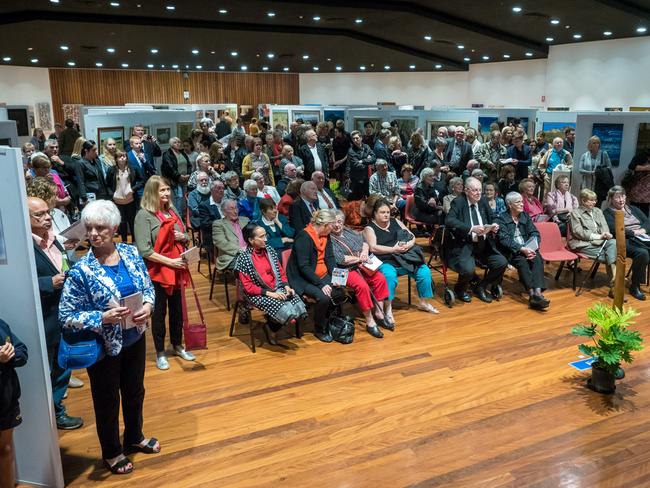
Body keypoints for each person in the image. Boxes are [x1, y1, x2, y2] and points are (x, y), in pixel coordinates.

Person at [58, 200, 158, 475]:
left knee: (135, 391)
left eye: (100, 228)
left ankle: (134, 437)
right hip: (105, 345)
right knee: (107, 399)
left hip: (135, 337)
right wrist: (101, 318)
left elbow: (147, 286)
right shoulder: (81, 269)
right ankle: (112, 451)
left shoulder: (130, 252)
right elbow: (66, 315)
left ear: (114, 229)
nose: (93, 234)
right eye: (89, 228)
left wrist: (148, 306)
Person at [28, 196, 83, 430]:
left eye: (47, 212)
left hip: (66, 312)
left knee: (64, 364)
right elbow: (18, 281)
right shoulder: (25, 245)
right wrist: (49, 282)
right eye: (38, 215)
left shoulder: (54, 239)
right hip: (44, 315)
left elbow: (62, 266)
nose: (47, 217)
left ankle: (56, 410)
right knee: (47, 369)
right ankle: (47, 416)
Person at [134, 176, 194, 371]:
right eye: (162, 190)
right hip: (157, 272)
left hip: (176, 270)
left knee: (178, 311)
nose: (167, 194)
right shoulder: (144, 215)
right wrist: (171, 262)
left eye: (168, 189)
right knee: (159, 313)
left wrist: (182, 236)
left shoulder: (172, 210)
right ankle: (160, 352)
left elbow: (184, 234)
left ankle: (177, 345)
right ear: (152, 192)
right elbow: (145, 250)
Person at [234, 224, 307, 345]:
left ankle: (273, 322)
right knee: (280, 305)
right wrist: (270, 294)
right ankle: (271, 329)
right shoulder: (243, 259)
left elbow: (281, 272)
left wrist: (286, 286)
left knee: (294, 299)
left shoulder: (270, 250)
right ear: (251, 240)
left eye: (265, 235)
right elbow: (248, 287)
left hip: (276, 287)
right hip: (256, 293)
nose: (266, 239)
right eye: (261, 237)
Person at [364, 198, 438, 314]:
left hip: (404, 256)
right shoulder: (369, 228)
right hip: (385, 260)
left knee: (424, 271)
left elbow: (412, 236)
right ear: (375, 213)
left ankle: (424, 302)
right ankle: (388, 309)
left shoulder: (395, 221)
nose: (386, 215)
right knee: (389, 275)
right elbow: (373, 247)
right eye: (382, 212)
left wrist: (408, 245)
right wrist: (393, 249)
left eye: (387, 212)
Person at [445, 177, 508, 303]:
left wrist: (495, 224)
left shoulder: (483, 201)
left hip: (483, 244)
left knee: (501, 262)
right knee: (468, 270)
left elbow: (494, 216)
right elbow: (449, 220)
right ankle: (460, 289)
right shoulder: (459, 202)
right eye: (475, 190)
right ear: (466, 190)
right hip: (465, 244)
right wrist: (471, 228)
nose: (479, 193)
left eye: (480, 190)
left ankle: (481, 287)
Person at [330, 210, 391, 338]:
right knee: (362, 286)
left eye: (339, 221)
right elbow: (340, 259)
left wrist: (364, 252)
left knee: (380, 278)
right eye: (333, 222)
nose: (337, 225)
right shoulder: (329, 238)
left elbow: (364, 241)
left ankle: (379, 313)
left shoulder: (348, 231)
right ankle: (370, 321)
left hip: (360, 264)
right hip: (342, 271)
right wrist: (360, 259)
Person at [285, 210, 342, 342]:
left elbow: (330, 257)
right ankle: (319, 327)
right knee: (323, 297)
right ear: (325, 225)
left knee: (339, 292)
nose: (333, 228)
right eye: (331, 226)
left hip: (321, 274)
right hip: (302, 277)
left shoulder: (325, 235)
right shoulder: (304, 237)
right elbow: (303, 267)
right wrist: (321, 284)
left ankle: (328, 318)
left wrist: (337, 277)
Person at [496, 192, 550, 310]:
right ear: (510, 205)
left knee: (537, 259)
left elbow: (535, 233)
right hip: (513, 251)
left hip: (528, 248)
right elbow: (505, 240)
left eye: (521, 201)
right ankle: (532, 294)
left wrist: (532, 247)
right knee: (522, 262)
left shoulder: (525, 216)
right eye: (518, 202)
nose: (522, 204)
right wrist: (522, 249)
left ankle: (537, 294)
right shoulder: (501, 219)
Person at [603, 186, 650, 301]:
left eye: (623, 196)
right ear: (611, 199)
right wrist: (634, 233)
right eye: (617, 197)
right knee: (643, 253)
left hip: (642, 237)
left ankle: (636, 283)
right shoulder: (607, 212)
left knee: (644, 252)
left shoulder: (633, 209)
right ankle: (635, 286)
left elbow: (647, 222)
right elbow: (614, 229)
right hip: (624, 240)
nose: (621, 200)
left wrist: (642, 231)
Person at [568, 188, 617, 295]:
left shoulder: (598, 211)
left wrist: (606, 234)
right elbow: (578, 232)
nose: (594, 202)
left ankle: (614, 284)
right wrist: (599, 236)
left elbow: (605, 226)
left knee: (613, 242)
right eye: (591, 200)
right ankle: (615, 287)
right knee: (612, 255)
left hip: (601, 242)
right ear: (583, 201)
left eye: (595, 200)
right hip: (582, 243)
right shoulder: (575, 213)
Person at [0, 319, 27, 488]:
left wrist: (9, 356)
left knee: (6, 449)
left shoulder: (1, 324)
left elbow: (22, 352)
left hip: (7, 399)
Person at [106, 149, 143, 243]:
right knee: (122, 223)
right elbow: (107, 185)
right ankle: (124, 242)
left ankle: (135, 242)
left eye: (124, 156)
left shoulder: (133, 168)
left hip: (130, 200)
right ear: (116, 159)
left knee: (132, 222)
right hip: (118, 200)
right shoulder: (111, 170)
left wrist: (133, 189)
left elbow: (142, 181)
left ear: (126, 158)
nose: (122, 158)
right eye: (120, 156)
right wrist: (112, 195)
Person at [212, 199, 249, 271]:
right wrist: (240, 250)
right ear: (224, 212)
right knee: (247, 264)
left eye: (236, 208)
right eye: (231, 209)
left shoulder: (245, 220)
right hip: (231, 256)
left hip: (249, 252)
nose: (235, 211)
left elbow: (252, 236)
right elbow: (221, 242)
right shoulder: (218, 224)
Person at [161, 137, 191, 217]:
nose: (178, 144)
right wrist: (179, 176)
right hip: (175, 179)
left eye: (179, 142)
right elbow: (169, 168)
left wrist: (188, 173)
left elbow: (189, 164)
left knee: (183, 198)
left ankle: (182, 215)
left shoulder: (182, 152)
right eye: (175, 142)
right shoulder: (167, 154)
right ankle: (178, 217)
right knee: (179, 197)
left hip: (185, 179)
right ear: (171, 144)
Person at [76, 140, 110, 204]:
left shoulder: (97, 161)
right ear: (86, 151)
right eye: (93, 150)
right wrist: (84, 198)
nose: (96, 152)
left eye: (96, 149)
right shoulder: (80, 163)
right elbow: (80, 182)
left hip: (103, 193)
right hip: (91, 195)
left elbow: (102, 177)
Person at [346, 130, 377, 200]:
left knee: (368, 198)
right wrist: (368, 160)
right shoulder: (351, 151)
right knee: (357, 200)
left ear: (361, 138)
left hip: (367, 177)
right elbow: (357, 165)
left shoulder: (366, 147)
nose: (355, 140)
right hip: (357, 179)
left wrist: (362, 161)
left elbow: (374, 158)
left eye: (357, 138)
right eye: (353, 139)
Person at [198, 179, 225, 249]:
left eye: (223, 188)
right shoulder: (204, 206)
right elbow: (206, 224)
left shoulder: (226, 203)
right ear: (212, 190)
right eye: (219, 188)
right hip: (214, 235)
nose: (222, 190)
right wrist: (223, 223)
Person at [626, 149, 650, 216]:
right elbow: (631, 166)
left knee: (645, 208)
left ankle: (644, 225)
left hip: (648, 189)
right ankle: (633, 224)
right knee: (634, 207)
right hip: (638, 185)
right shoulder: (642, 154)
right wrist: (646, 168)